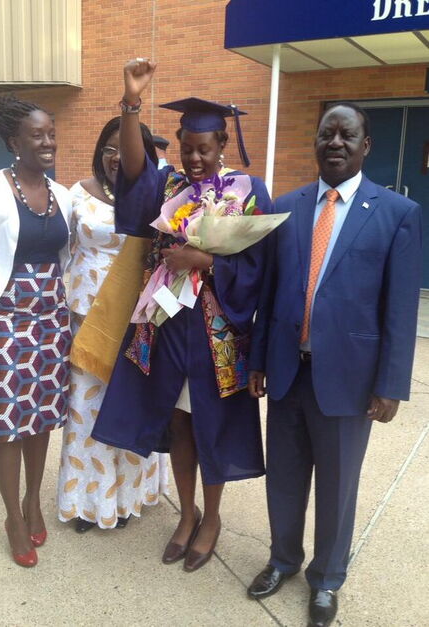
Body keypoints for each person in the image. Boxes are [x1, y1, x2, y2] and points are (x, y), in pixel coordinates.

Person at [92, 58, 272, 572]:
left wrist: (207, 260)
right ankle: (186, 512)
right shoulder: (166, 186)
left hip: (218, 337)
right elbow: (131, 171)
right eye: (187, 147)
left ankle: (211, 518)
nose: (194, 158)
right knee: (178, 424)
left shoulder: (248, 193)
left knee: (211, 425)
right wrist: (131, 105)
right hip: (166, 330)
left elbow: (258, 266)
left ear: (222, 146)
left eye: (205, 149)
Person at [247, 103, 422, 627]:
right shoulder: (288, 207)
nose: (336, 142)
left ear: (367, 146)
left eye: (348, 135)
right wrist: (257, 359)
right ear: (317, 141)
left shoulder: (395, 213)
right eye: (328, 133)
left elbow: (400, 307)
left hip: (349, 379)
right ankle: (283, 559)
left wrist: (390, 384)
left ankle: (326, 579)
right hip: (286, 371)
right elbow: (269, 292)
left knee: (337, 484)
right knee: (284, 477)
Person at [0, 95, 72, 568]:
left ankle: (33, 501)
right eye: (37, 135)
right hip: (5, 324)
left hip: (52, 324)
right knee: (7, 424)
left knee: (42, 418)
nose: (48, 142)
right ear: (14, 141)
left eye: (51, 133)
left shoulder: (62, 195)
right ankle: (12, 516)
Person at [58, 116, 169, 533]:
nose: (116, 157)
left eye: (127, 149)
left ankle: (127, 500)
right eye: (109, 148)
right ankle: (87, 502)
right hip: (87, 322)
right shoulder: (77, 194)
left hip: (136, 321)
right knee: (86, 412)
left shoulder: (156, 198)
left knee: (129, 407)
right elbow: (60, 251)